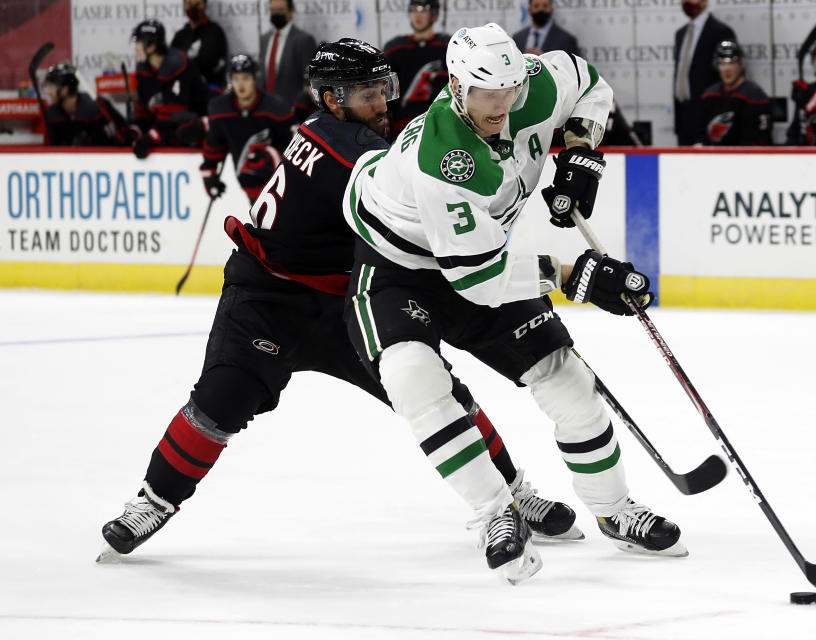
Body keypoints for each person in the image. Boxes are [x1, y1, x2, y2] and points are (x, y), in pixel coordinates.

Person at [98, 38, 581, 564]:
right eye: (367, 94)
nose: (381, 103)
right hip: (270, 297)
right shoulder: (347, 147)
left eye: (384, 90)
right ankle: (153, 500)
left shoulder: (355, 135)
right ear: (330, 99)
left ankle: (513, 493)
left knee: (430, 388)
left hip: (345, 300)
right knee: (220, 401)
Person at [343, 23, 685, 584]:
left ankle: (615, 509)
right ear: (455, 86)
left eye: (508, 91)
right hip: (399, 269)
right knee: (413, 379)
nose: (501, 105)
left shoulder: (534, 83)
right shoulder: (444, 157)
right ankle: (494, 513)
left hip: (479, 255)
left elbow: (590, 83)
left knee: (567, 379)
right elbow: (477, 283)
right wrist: (580, 277)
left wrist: (579, 152)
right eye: (486, 94)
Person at [198, 54, 296, 203]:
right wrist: (209, 175)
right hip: (249, 185)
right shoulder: (220, 109)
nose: (240, 85)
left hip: (281, 185)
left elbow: (293, 146)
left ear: (254, 79)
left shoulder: (276, 108)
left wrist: (271, 157)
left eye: (245, 78)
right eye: (236, 79)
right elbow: (214, 144)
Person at [130, 19, 211, 158]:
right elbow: (143, 109)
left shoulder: (177, 64)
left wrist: (152, 136)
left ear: (151, 46)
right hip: (172, 128)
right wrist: (136, 130)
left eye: (138, 42)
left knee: (184, 131)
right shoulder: (143, 69)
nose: (135, 48)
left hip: (199, 124)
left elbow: (175, 114)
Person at [383, 0, 451, 138]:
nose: (417, 15)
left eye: (423, 10)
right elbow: (385, 90)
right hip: (401, 129)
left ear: (434, 15)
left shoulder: (447, 46)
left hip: (438, 125)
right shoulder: (395, 48)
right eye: (414, 10)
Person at [673, 0, 737, 145]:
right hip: (683, 115)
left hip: (707, 115)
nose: (687, 2)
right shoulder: (680, 34)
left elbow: (727, 78)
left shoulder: (720, 31)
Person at [696, 41, 772, 146]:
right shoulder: (709, 95)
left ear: (741, 65)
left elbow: (760, 142)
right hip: (713, 159)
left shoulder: (755, 97)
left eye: (731, 63)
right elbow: (700, 136)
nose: (727, 69)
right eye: (722, 63)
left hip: (745, 159)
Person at [41, 62, 129, 146]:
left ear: (65, 90)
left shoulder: (96, 106)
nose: (49, 92)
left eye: (51, 87)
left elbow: (124, 130)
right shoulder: (52, 114)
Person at [258, 0, 316, 105]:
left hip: (292, 107)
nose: (276, 13)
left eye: (280, 10)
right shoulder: (265, 39)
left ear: (291, 12)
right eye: (273, 10)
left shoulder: (304, 40)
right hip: (266, 107)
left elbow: (310, 80)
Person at [170, 0, 229, 90]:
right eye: (189, 4)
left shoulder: (215, 32)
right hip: (184, 91)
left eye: (198, 4)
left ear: (205, 6)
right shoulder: (180, 35)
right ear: (184, 6)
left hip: (209, 89)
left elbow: (215, 64)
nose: (193, 8)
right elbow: (171, 63)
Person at [512, 0, 579, 57]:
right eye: (536, 6)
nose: (541, 9)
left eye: (545, 6)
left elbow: (572, 69)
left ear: (551, 9)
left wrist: (545, 60)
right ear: (529, 10)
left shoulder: (567, 40)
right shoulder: (517, 38)